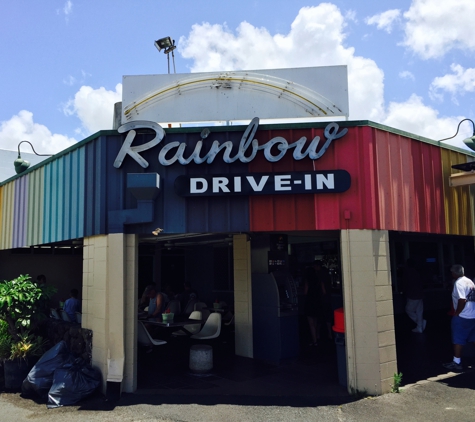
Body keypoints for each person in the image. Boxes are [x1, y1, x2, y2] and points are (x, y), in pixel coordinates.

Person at [443, 264, 475, 372]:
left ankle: (457, 362)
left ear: (454, 273)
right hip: (473, 315)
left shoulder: (459, 283)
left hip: (463, 316)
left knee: (458, 339)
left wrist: (457, 312)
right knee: (473, 338)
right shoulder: (470, 281)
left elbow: (462, 299)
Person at [304, 261, 325, 346]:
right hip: (317, 301)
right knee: (316, 321)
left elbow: (305, 292)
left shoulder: (307, 281)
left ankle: (314, 341)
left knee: (311, 322)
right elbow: (324, 291)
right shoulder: (319, 280)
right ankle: (317, 337)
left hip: (310, 301)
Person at [403, 259, 426, 333]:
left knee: (408, 310)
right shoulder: (417, 272)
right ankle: (419, 327)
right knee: (419, 311)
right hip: (420, 294)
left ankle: (421, 323)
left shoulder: (408, 272)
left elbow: (407, 284)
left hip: (413, 295)